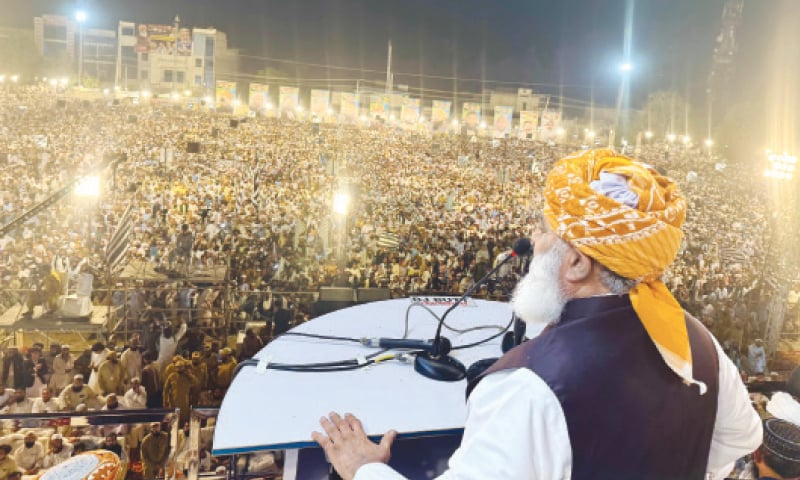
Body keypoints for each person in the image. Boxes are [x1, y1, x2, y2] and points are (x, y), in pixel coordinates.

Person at [312, 149, 762, 479]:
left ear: (578, 263)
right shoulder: (699, 344)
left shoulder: (531, 387)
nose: (532, 236)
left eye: (545, 228)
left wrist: (364, 469)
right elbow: (739, 439)